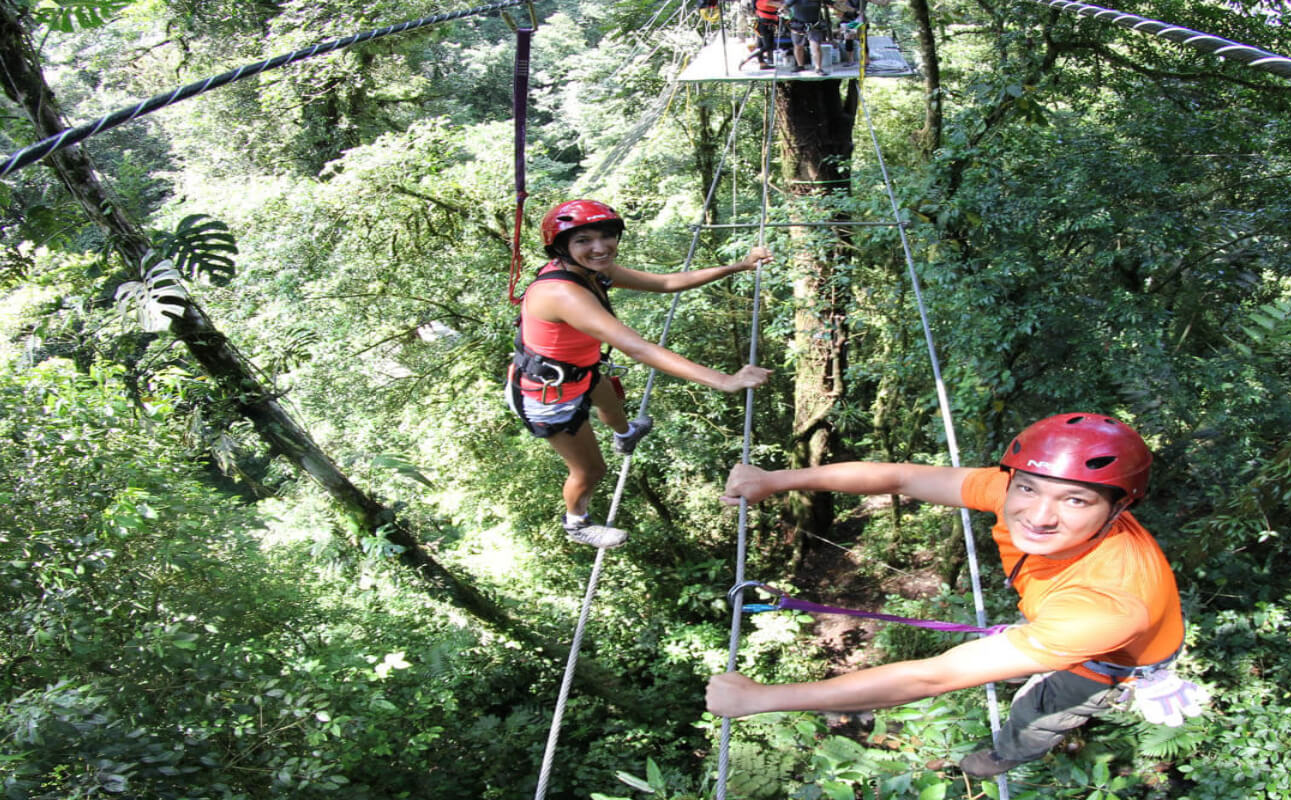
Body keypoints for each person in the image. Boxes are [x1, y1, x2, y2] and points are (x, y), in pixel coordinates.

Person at [708, 413, 1192, 777]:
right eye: (1028, 488)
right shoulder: (1011, 493)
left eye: (1074, 500)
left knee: (1034, 710)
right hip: (1066, 618)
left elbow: (930, 677)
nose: (1039, 515)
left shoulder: (1103, 609)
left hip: (1112, 654)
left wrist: (763, 698)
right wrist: (777, 481)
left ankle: (1007, 754)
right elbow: (901, 478)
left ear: (1117, 506)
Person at [508, 199, 773, 548]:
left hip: (581, 373)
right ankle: (576, 524)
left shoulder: (591, 271)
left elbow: (665, 283)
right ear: (562, 248)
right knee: (591, 471)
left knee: (612, 402)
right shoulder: (562, 292)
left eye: (606, 236)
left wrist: (738, 266)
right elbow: (639, 348)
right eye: (583, 240)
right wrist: (724, 380)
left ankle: (625, 433)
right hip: (549, 397)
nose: (600, 247)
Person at [780, 0, 829, 75]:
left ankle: (818, 68)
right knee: (798, 46)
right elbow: (785, 5)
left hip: (815, 24)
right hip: (798, 24)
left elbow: (831, 3)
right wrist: (782, 10)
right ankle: (800, 65)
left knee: (816, 46)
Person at [752, 0, 783, 70]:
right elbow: (779, 4)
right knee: (768, 46)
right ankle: (748, 58)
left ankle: (762, 64)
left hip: (766, 25)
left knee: (761, 46)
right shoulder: (763, 1)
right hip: (765, 26)